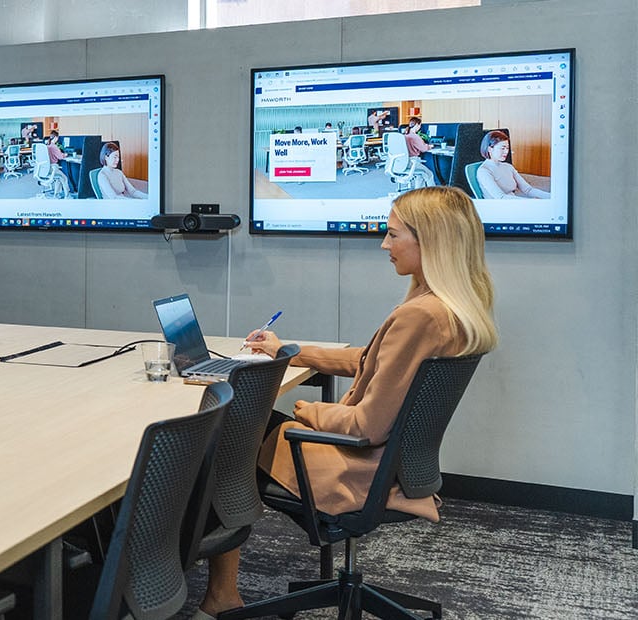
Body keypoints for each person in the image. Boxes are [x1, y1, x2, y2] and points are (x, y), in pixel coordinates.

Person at [192, 185, 498, 618]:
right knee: (243, 428)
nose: (384, 245)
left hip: (358, 466)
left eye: (393, 235)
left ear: (429, 240)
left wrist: (306, 411)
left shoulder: (420, 316)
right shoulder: (455, 308)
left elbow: (368, 426)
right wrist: (289, 352)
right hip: (397, 467)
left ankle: (216, 591)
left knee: (222, 436)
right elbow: (370, 361)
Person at [475, 130, 550, 199]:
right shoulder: (483, 171)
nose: (506, 151)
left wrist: (552, 197)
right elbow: (501, 197)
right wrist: (529, 202)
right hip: (500, 208)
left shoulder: (508, 167)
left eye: (507, 148)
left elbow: (528, 189)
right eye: (503, 148)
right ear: (490, 149)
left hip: (514, 203)